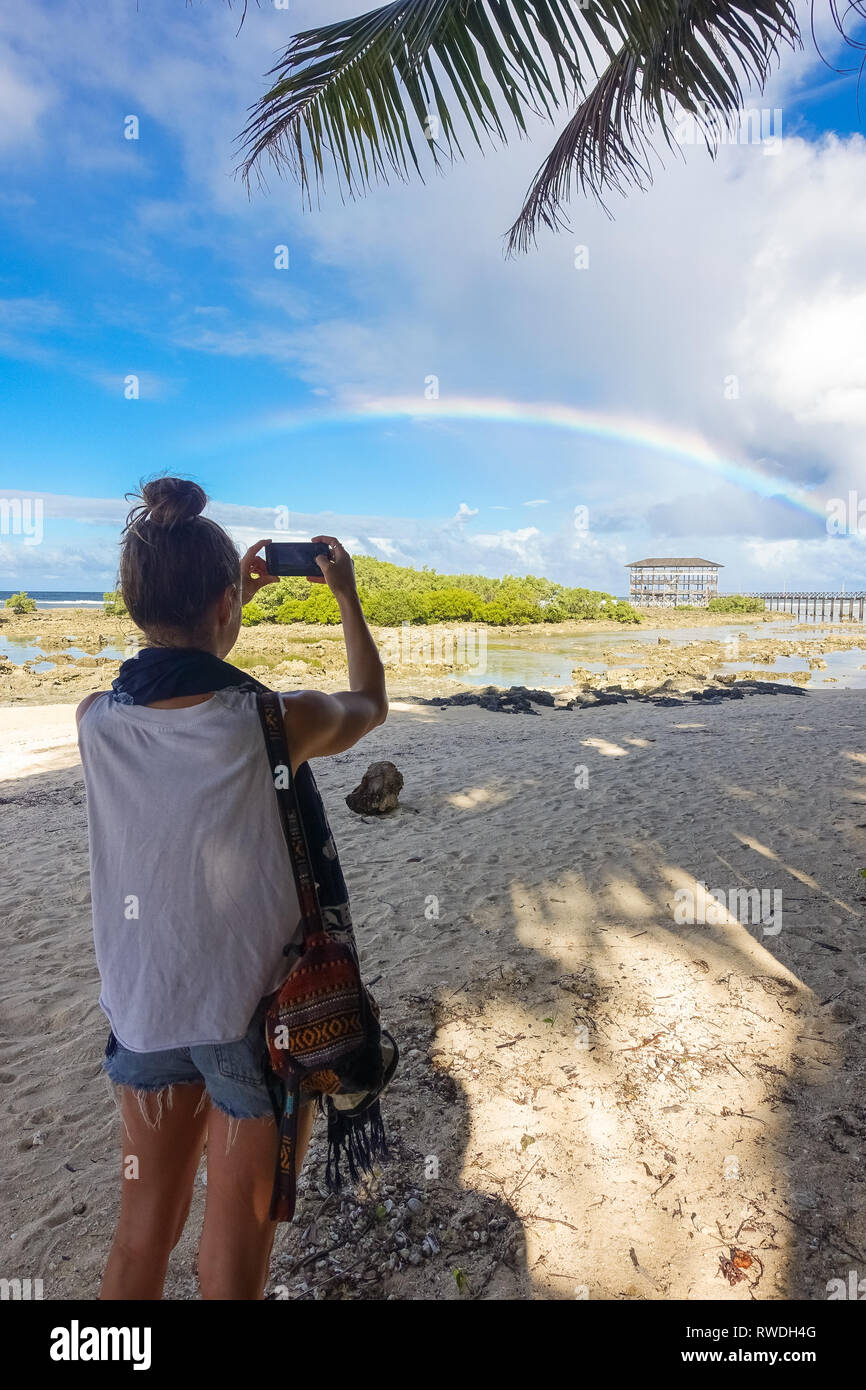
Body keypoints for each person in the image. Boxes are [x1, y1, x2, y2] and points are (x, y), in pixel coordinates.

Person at [76, 476, 388, 1300]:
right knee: (236, 1245)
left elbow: (185, 689)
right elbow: (370, 703)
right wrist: (347, 599)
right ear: (223, 604)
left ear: (134, 604)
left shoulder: (94, 721)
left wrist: (224, 600)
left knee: (140, 1236)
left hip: (144, 1010)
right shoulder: (276, 723)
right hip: (258, 1020)